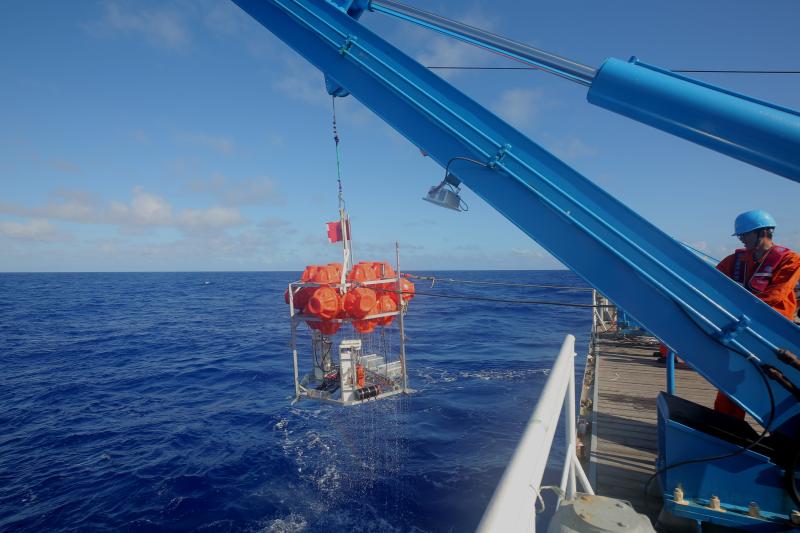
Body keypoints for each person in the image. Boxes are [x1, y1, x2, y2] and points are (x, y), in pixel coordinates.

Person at [713, 210, 800, 418]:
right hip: (742, 330)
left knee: (779, 387)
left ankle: (783, 437)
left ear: (764, 232)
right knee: (731, 384)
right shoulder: (735, 261)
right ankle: (727, 426)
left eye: (746, 234)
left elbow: (776, 295)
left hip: (774, 334)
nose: (742, 239)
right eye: (740, 235)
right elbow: (711, 281)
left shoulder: (789, 260)